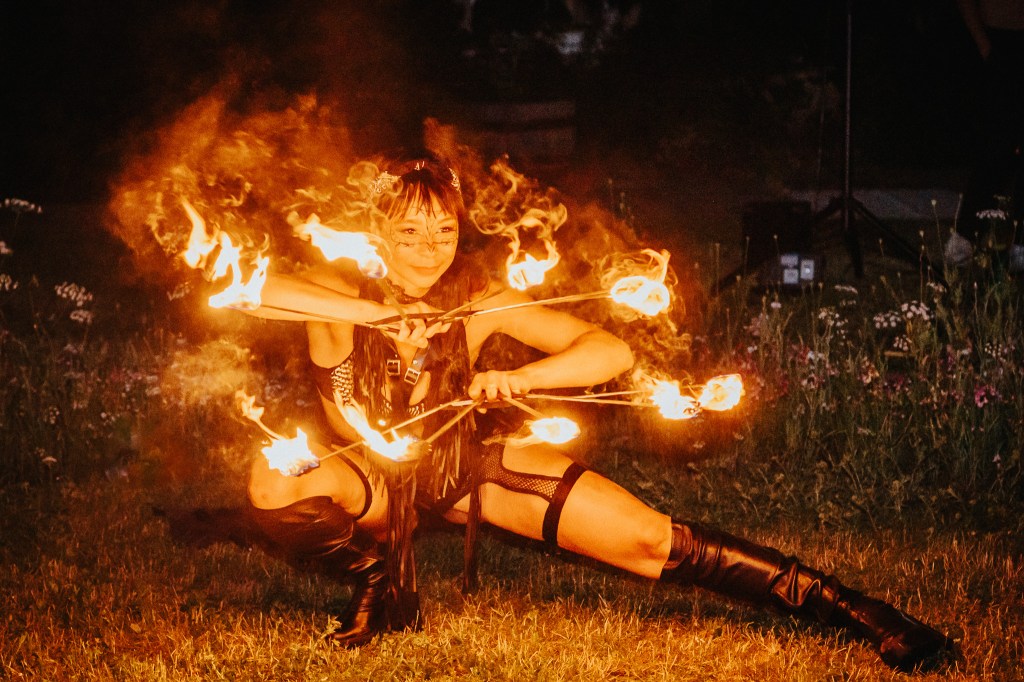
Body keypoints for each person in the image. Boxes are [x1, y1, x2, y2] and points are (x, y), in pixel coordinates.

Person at [240, 153, 956, 672]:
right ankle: (376, 579)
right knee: (273, 481)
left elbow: (608, 351)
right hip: (367, 475)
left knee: (647, 538)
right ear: (376, 234)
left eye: (443, 233)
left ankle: (859, 611)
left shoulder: (479, 303)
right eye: (408, 234)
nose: (429, 251)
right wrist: (379, 313)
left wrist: (516, 378)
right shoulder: (336, 294)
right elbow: (253, 288)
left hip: (465, 469)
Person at [948, 0, 1024, 272]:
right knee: (997, 145)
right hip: (998, 39)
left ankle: (1020, 246)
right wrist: (984, 45)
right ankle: (965, 238)